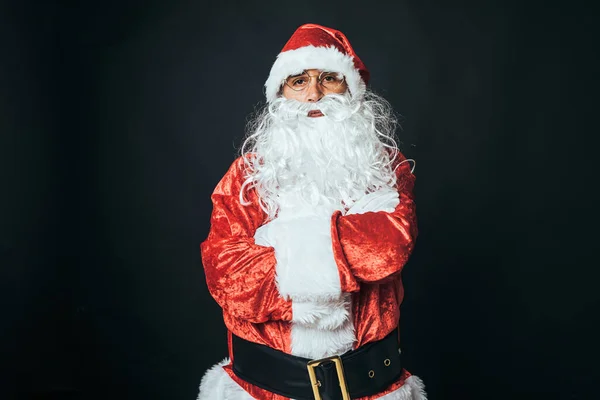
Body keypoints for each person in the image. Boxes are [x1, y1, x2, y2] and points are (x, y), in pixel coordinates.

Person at [198, 23, 426, 400]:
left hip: (370, 387)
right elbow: (228, 276)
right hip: (263, 389)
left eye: (329, 79)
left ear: (351, 89)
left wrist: (274, 240)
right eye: (298, 81)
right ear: (281, 94)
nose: (314, 95)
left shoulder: (388, 167)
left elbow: (389, 249)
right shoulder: (247, 175)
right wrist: (344, 235)